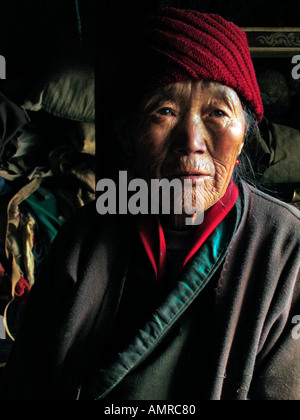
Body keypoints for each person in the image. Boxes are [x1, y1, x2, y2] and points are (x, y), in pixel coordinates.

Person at [0, 7, 299, 400]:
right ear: (127, 137)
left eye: (217, 112)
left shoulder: (288, 247)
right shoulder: (86, 238)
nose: (192, 139)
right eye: (165, 111)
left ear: (243, 137)